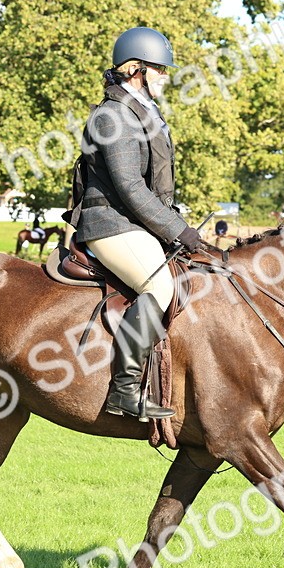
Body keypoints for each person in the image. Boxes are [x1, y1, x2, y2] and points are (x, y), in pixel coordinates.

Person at [66, 27, 204, 420]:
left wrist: (178, 225)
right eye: (160, 68)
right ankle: (123, 390)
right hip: (110, 225)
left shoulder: (142, 114)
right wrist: (177, 230)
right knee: (160, 284)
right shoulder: (113, 117)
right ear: (135, 70)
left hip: (133, 225)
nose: (166, 76)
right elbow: (129, 188)